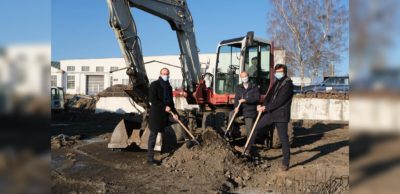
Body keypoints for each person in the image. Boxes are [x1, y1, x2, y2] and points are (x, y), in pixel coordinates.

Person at [236, 64, 294, 171]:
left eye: (280, 71)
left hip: (281, 115)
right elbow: (269, 97)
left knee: (283, 138)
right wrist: (262, 105)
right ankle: (247, 149)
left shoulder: (288, 85)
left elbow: (280, 101)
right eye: (276, 71)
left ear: (285, 72)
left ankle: (286, 162)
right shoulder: (277, 83)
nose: (278, 73)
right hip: (271, 113)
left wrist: (266, 108)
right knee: (256, 127)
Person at [147, 68, 193, 166]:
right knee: (153, 135)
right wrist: (164, 107)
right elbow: (152, 99)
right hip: (157, 114)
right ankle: (150, 159)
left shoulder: (168, 86)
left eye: (167, 74)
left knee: (181, 119)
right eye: (164, 74)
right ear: (160, 74)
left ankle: (188, 140)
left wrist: (175, 113)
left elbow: (171, 103)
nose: (165, 75)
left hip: (167, 114)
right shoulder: (154, 85)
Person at [226, 71, 260, 139]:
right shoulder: (238, 87)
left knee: (249, 129)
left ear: (248, 77)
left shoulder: (254, 87)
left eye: (245, 76)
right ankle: (229, 133)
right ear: (241, 78)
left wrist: (246, 100)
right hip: (241, 109)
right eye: (243, 77)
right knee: (231, 114)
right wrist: (236, 107)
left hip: (250, 110)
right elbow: (236, 99)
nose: (244, 78)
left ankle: (249, 145)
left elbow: (256, 98)